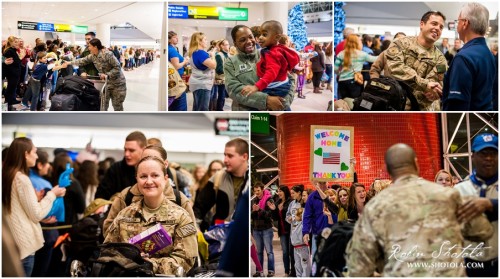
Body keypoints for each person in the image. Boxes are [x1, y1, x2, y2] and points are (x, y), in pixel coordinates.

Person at [346, 143, 493, 276]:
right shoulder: (449, 196)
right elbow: (483, 231)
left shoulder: (375, 207)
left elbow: (358, 268)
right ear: (416, 164)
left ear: (387, 169)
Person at [104, 156, 198, 275]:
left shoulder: (181, 217)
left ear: (165, 179)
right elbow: (108, 252)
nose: (149, 181)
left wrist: (150, 265)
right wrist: (129, 262)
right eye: (143, 176)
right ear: (137, 179)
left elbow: (186, 259)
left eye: (155, 175)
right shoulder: (124, 215)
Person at [2, 138, 66, 276]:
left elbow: (14, 210)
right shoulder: (22, 179)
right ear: (26, 154)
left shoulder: (7, 175)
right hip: (24, 247)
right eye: (35, 152)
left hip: (11, 244)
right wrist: (52, 194)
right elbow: (36, 214)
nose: (36, 156)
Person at [103, 144, 195, 236]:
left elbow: (190, 235)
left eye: (155, 159)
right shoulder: (126, 196)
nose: (149, 163)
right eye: (144, 159)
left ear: (165, 164)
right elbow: (109, 232)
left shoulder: (179, 199)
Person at [384, 11, 448, 111]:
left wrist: (433, 92)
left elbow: (435, 85)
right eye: (434, 24)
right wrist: (425, 84)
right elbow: (396, 68)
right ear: (422, 24)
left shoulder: (440, 59)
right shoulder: (400, 44)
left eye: (441, 27)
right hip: (393, 105)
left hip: (422, 109)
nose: (437, 28)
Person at [454, 133, 498, 276]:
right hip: (470, 264)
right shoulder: (460, 190)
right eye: (483, 153)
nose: (489, 158)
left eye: (493, 153)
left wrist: (491, 204)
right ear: (473, 156)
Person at [224, 25, 295, 111]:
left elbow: (289, 79)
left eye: (251, 37)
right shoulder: (230, 62)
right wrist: (266, 100)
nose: (249, 41)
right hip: (247, 113)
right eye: (243, 40)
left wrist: (283, 102)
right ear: (235, 43)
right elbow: (234, 89)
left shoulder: (268, 54)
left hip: (275, 111)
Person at [442, 2, 496, 111]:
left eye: (458, 21)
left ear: (465, 23)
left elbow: (457, 105)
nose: (457, 24)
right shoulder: (488, 54)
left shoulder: (463, 58)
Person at [193, 138, 249, 228]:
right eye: (225, 155)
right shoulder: (218, 177)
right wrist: (195, 228)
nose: (225, 160)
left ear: (244, 157)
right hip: (221, 235)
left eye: (230, 156)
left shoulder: (249, 181)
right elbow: (199, 207)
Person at [64, 38, 127, 111]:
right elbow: (82, 61)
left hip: (117, 84)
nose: (88, 48)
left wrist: (107, 75)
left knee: (117, 106)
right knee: (102, 106)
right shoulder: (93, 56)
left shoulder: (107, 54)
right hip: (105, 84)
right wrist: (69, 63)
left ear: (95, 47)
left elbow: (118, 67)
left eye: (90, 46)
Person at [95, 131, 147, 200]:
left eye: (131, 150)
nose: (126, 154)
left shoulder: (154, 169)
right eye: (125, 150)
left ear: (144, 149)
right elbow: (100, 196)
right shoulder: (115, 169)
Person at [334, 34, 377, 99]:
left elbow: (335, 69)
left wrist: (340, 74)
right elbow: (375, 59)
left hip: (342, 81)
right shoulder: (361, 54)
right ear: (357, 43)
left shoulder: (341, 54)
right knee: (354, 102)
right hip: (355, 81)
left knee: (343, 102)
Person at [286, 185, 311, 277]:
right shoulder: (292, 204)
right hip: (294, 239)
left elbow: (299, 217)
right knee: (297, 265)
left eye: (305, 195)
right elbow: (289, 216)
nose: (292, 195)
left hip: (303, 239)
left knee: (305, 265)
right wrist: (289, 218)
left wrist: (293, 217)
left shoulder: (307, 206)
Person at [251, 183, 275, 277]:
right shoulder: (254, 200)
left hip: (266, 229)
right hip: (256, 229)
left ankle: (271, 270)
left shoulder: (269, 199)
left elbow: (270, 215)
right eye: (255, 191)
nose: (256, 192)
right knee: (259, 252)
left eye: (258, 190)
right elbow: (252, 217)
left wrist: (260, 210)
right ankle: (259, 271)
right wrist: (254, 211)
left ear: (262, 189)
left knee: (269, 251)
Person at [269, 186, 294, 277]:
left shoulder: (290, 202)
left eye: (280, 191)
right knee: (285, 252)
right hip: (282, 232)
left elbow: (289, 215)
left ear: (285, 192)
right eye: (278, 191)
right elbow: (275, 218)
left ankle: (293, 271)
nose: (278, 193)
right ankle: (287, 272)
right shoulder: (277, 202)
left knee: (291, 252)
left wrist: (280, 209)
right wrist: (273, 210)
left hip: (291, 230)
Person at [188, 32, 216, 111]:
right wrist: (213, 56)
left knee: (197, 107)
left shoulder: (196, 52)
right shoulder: (201, 53)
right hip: (202, 85)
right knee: (202, 109)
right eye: (205, 39)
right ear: (199, 41)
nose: (207, 41)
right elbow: (213, 65)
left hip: (198, 83)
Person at [302, 180, 330, 258]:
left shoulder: (333, 194)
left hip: (332, 233)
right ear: (316, 184)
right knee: (316, 260)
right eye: (320, 183)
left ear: (328, 182)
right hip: (317, 233)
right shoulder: (312, 197)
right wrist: (306, 231)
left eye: (324, 182)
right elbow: (307, 215)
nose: (322, 185)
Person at [168, 31, 189, 111]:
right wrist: (185, 62)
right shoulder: (172, 50)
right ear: (169, 39)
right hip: (176, 81)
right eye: (174, 37)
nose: (177, 38)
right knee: (180, 105)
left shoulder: (173, 49)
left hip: (174, 80)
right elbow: (176, 66)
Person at [2, 36, 22, 110]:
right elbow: (8, 63)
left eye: (18, 42)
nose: (18, 43)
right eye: (15, 42)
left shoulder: (13, 50)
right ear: (11, 43)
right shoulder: (9, 51)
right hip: (12, 74)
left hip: (14, 73)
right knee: (11, 88)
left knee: (13, 88)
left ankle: (12, 100)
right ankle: (9, 102)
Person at [212, 39, 230, 111]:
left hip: (226, 79)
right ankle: (219, 110)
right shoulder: (219, 55)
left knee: (223, 96)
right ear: (222, 46)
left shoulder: (227, 54)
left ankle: (220, 108)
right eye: (226, 44)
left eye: (228, 44)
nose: (228, 46)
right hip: (221, 79)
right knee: (221, 96)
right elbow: (218, 70)